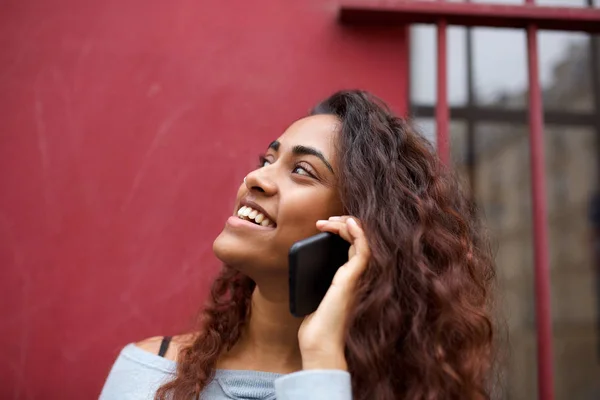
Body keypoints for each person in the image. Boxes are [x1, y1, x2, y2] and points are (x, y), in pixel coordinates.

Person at [100, 90, 496, 400]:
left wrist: (322, 359)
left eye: (302, 171)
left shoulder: (392, 391)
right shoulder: (147, 373)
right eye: (267, 159)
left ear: (354, 227)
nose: (256, 179)